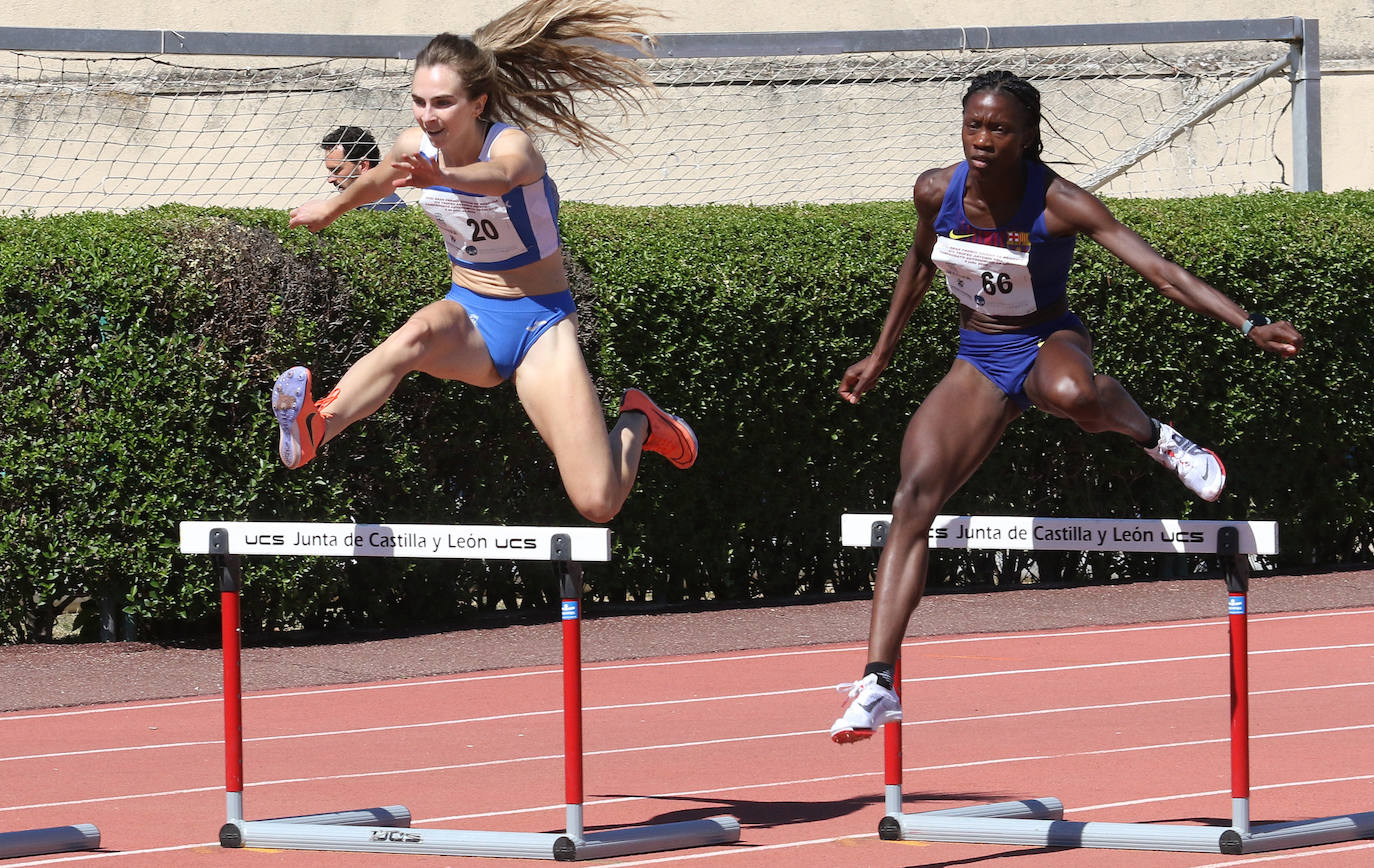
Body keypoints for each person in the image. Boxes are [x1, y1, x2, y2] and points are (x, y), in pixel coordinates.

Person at [828, 70, 1303, 744]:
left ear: (1028, 136)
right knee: (913, 499)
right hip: (979, 357)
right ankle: (878, 682)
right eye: (974, 126)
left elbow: (1162, 273)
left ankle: (1156, 437)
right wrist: (881, 354)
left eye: (999, 129)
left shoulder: (1060, 202)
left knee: (1074, 395)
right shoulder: (936, 191)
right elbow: (919, 263)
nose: (983, 140)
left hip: (1048, 339)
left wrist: (1247, 321)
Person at [274, 0, 697, 525]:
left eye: (443, 103)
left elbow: (499, 178)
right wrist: (333, 207)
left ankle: (638, 419)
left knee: (597, 502)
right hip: (470, 314)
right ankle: (318, 428)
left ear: (478, 103)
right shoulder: (415, 146)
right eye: (418, 101)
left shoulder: (515, 146)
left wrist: (442, 179)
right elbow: (379, 180)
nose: (427, 117)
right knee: (414, 335)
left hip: (541, 324)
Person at [319, 125, 409, 212]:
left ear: (363, 166)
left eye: (336, 170)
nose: (330, 179)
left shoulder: (385, 209)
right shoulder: (355, 205)